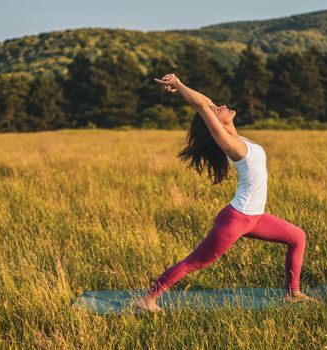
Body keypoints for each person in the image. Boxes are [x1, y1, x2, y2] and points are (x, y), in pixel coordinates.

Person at [133, 74, 312, 312]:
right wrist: (178, 85)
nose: (221, 106)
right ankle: (147, 299)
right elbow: (201, 106)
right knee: (193, 263)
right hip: (237, 219)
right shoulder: (231, 145)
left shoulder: (236, 137)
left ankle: (292, 292)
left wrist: (189, 91)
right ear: (214, 123)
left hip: (255, 217)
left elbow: (205, 103)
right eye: (218, 109)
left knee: (297, 237)